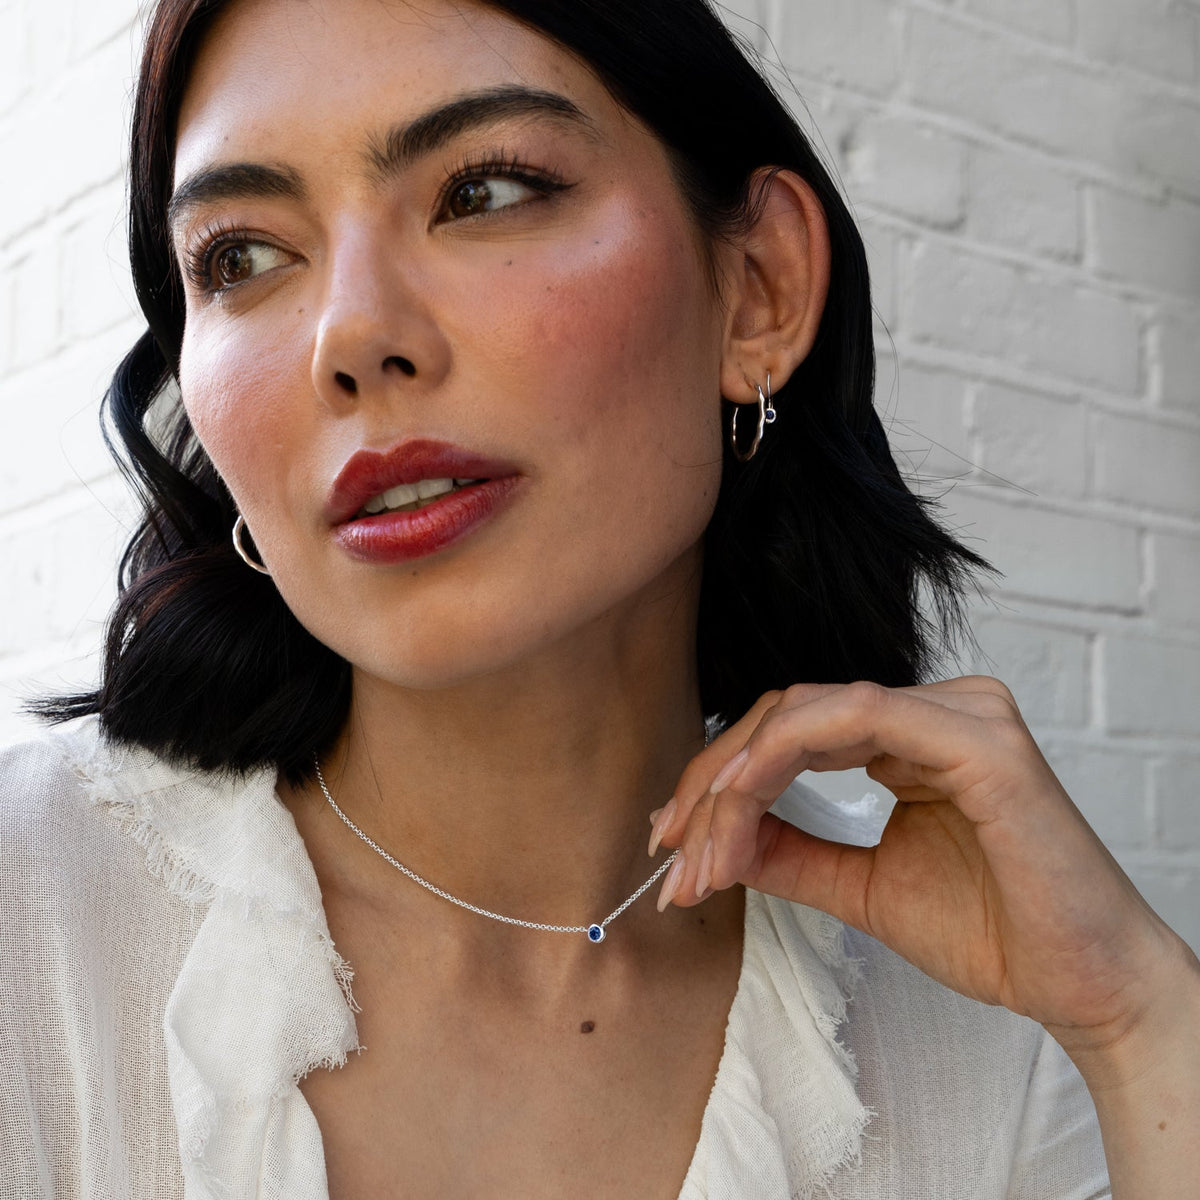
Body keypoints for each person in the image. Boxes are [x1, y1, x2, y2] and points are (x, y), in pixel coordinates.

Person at [2, 0, 1197, 1196]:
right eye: (241, 257)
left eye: (483, 191)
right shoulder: (33, 913)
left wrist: (1142, 1019)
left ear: (759, 290)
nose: (351, 335)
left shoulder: (990, 1046)